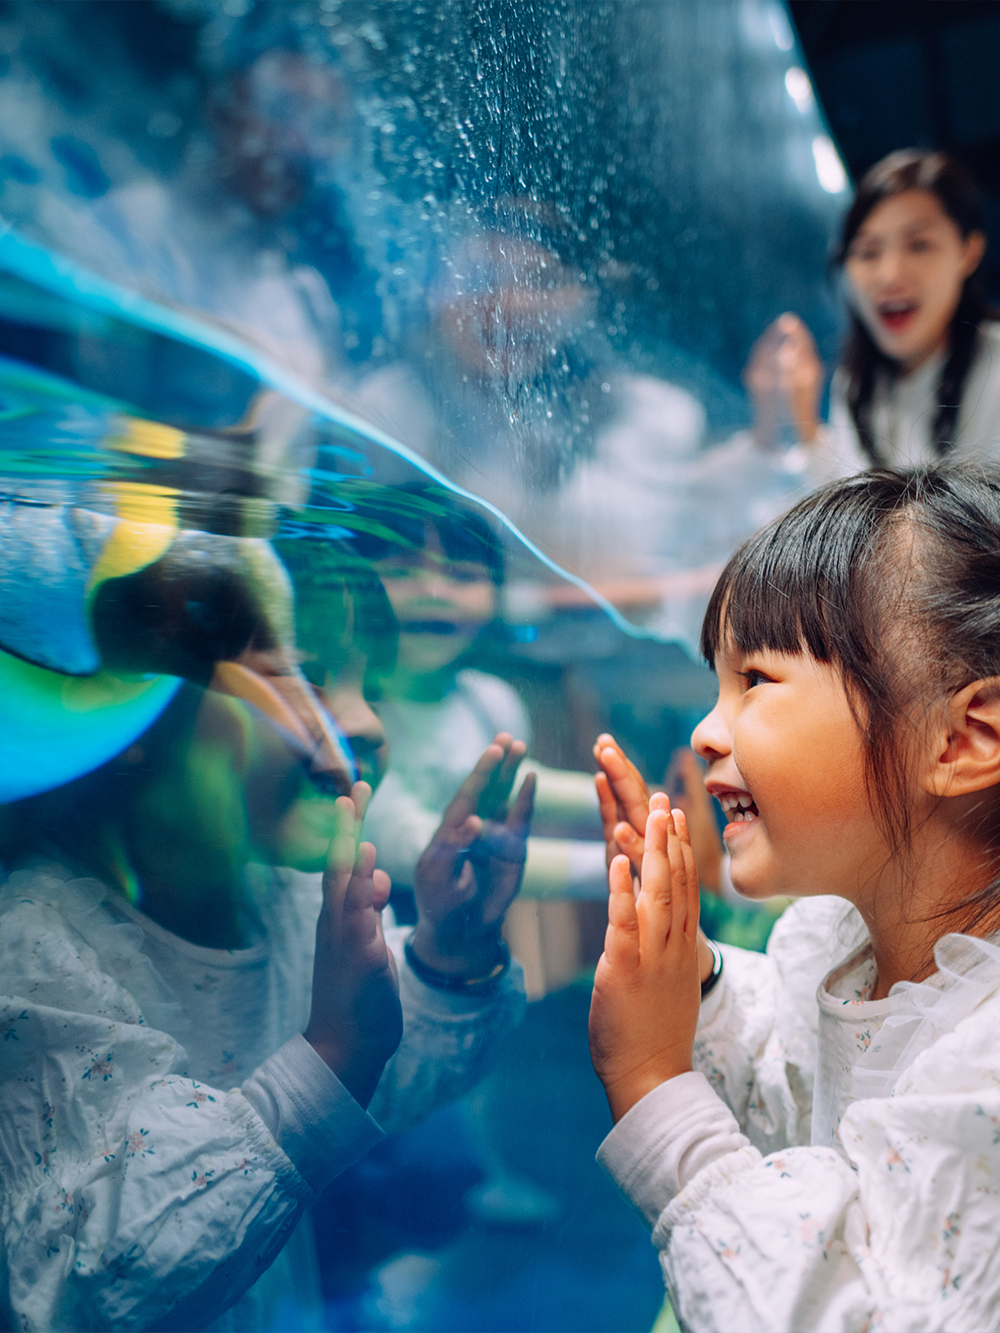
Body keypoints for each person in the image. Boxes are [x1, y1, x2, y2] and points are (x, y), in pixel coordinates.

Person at [0, 522, 534, 1332]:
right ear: (140, 709)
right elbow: (80, 1282)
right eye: (308, 679)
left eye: (370, 687)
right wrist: (327, 1057)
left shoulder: (283, 894)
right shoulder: (38, 948)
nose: (364, 722)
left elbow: (370, 1083)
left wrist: (444, 961)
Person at [589, 463, 1000, 1332]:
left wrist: (658, 1091)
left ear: (962, 738)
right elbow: (791, 1083)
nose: (705, 730)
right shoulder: (840, 941)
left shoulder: (986, 1068)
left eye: (756, 682)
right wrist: (687, 969)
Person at [746, 150, 1000, 474]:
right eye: (867, 252)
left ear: (969, 252)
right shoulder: (855, 381)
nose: (889, 275)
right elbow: (855, 496)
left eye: (919, 245)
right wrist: (801, 420)